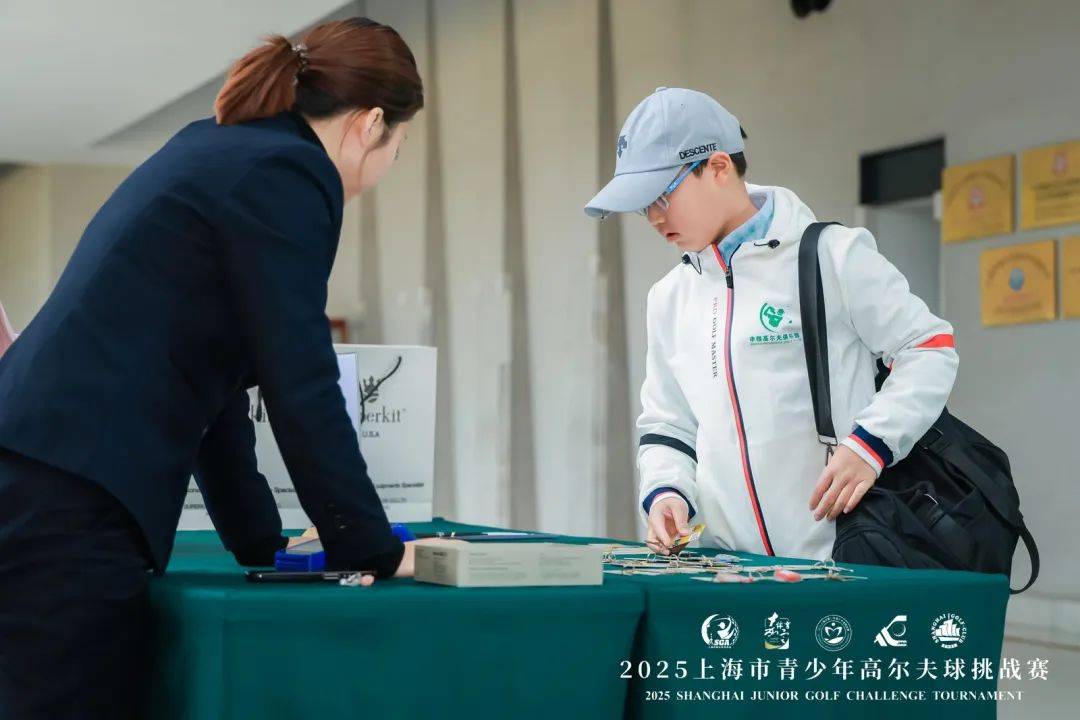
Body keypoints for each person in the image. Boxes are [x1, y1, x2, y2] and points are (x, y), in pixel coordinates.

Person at [0, 17, 422, 718]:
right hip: (71, 499)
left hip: (38, 475)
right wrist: (369, 547)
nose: (382, 172)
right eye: (396, 151)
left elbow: (214, 380)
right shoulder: (288, 175)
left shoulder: (220, 149)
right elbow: (301, 381)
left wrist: (260, 542)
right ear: (371, 123)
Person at [584, 87, 958, 561]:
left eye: (661, 196)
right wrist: (666, 493)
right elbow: (668, 424)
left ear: (718, 167)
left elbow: (929, 347)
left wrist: (870, 446)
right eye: (643, 206)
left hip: (836, 561)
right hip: (728, 571)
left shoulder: (832, 256)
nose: (654, 218)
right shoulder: (669, 298)